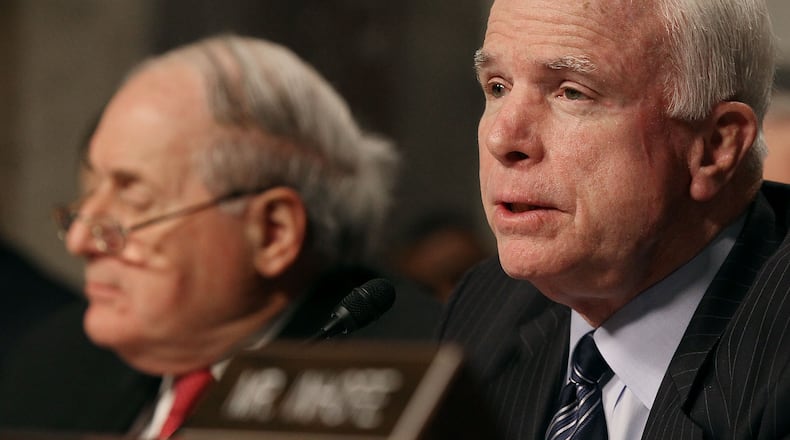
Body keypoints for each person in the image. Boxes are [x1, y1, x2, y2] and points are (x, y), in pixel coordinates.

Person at [0, 34, 441, 438]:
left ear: (272, 233)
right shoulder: (56, 362)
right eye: (90, 192)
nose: (80, 238)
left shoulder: (407, 387)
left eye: (133, 200)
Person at [437, 0, 790, 439]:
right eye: (497, 87)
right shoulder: (487, 303)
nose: (501, 137)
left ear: (714, 146)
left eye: (571, 92)